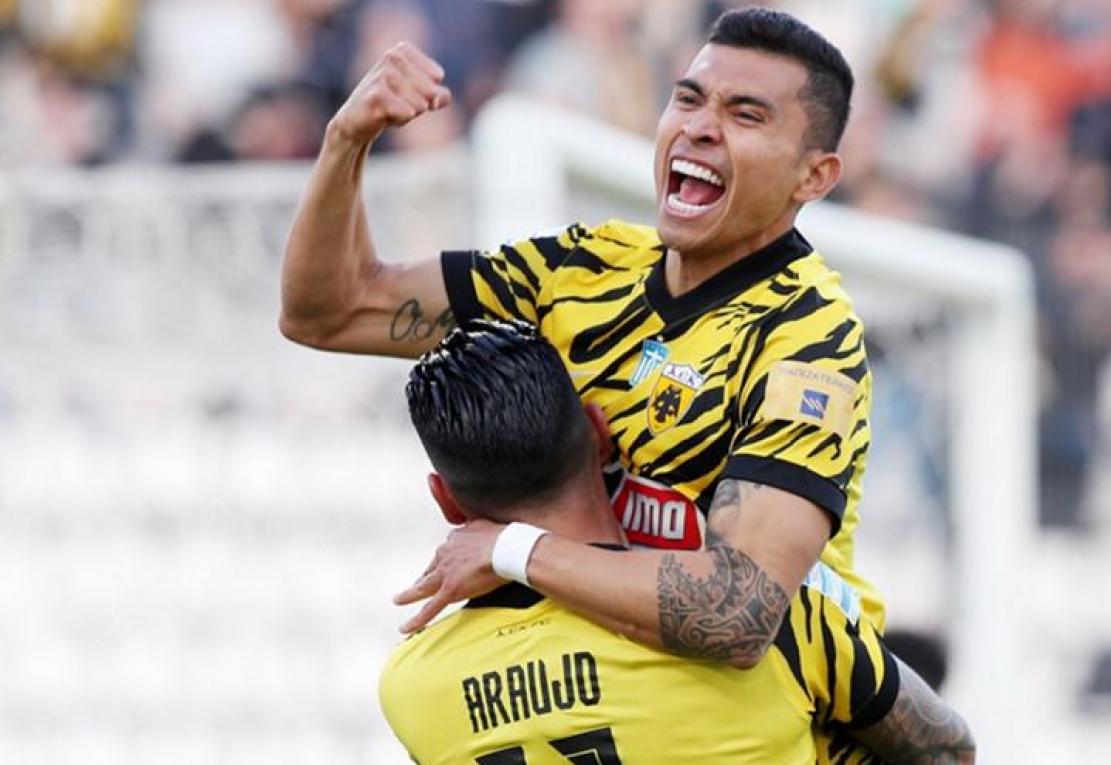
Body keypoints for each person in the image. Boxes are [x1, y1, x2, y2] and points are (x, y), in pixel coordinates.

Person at [280, 6, 880, 677]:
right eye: (688, 99)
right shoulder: (584, 269)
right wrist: (346, 142)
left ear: (814, 176)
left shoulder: (808, 337)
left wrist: (512, 550)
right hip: (617, 675)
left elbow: (737, 615)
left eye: (746, 115)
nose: (699, 127)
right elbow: (328, 311)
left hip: (777, 708)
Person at [382, 318, 975, 765]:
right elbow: (950, 751)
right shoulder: (780, 617)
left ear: (446, 499)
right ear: (600, 434)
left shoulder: (413, 686)